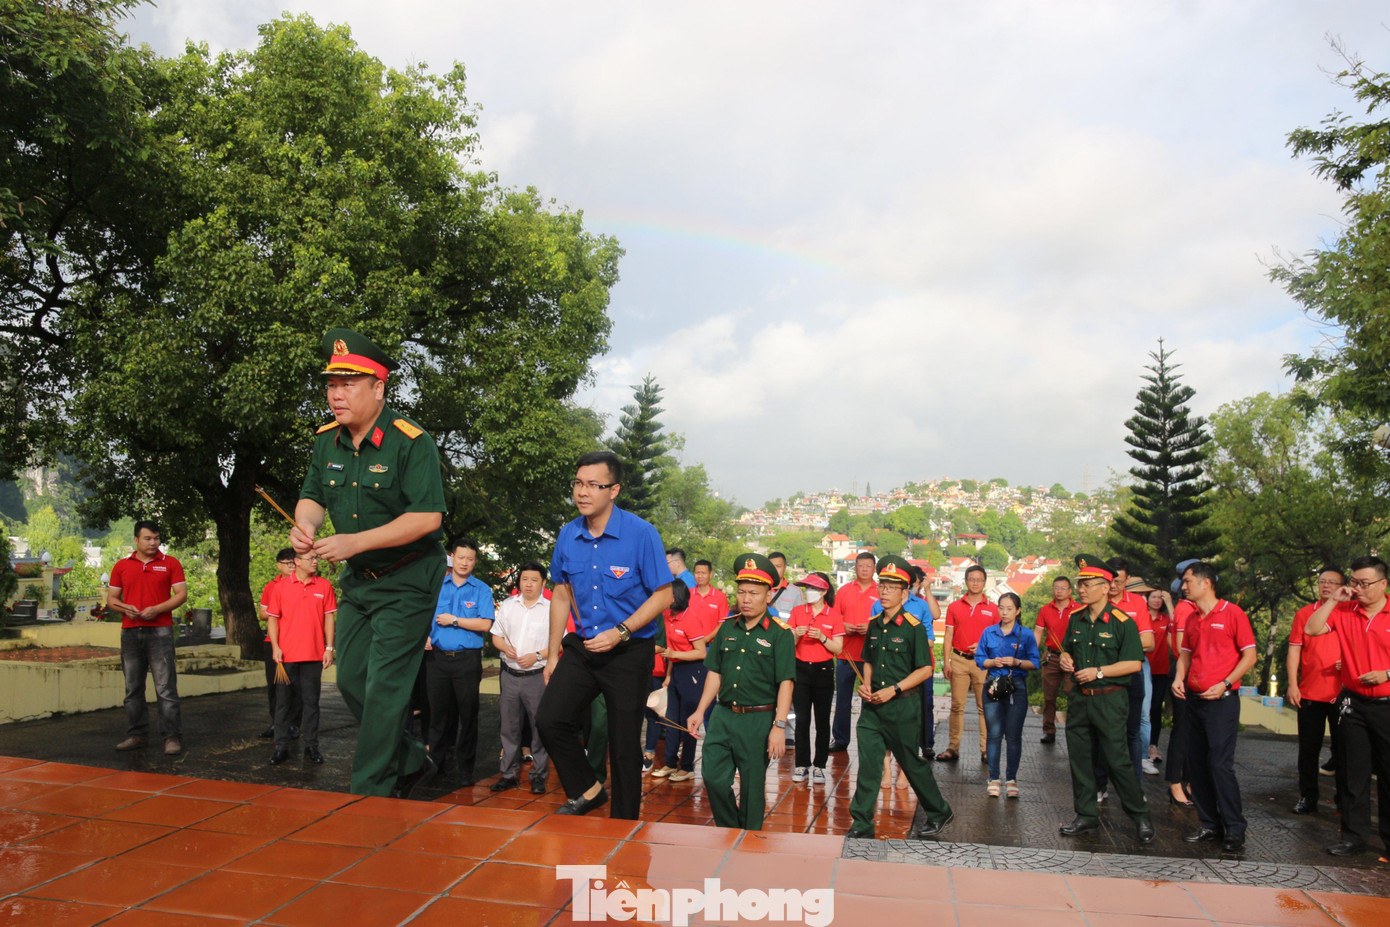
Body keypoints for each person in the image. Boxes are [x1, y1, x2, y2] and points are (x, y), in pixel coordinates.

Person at [292, 328, 448, 798]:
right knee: (352, 677)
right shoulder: (326, 441)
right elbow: (312, 497)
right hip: (360, 581)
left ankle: (370, 792)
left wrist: (354, 542)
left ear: (378, 388)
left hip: (409, 578)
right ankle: (408, 758)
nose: (335, 395)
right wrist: (306, 529)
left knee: (384, 688)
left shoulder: (410, 441)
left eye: (348, 385)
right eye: (331, 384)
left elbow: (427, 516)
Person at [537, 450, 675, 819]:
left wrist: (621, 631)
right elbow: (561, 593)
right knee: (550, 719)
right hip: (583, 647)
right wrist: (553, 655)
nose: (583, 492)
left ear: (613, 490)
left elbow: (664, 594)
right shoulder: (568, 534)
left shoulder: (641, 533)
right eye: (578, 484)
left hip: (629, 650)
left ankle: (624, 825)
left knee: (625, 743)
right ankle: (589, 789)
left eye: (593, 485)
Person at [847, 556, 953, 840]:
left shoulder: (913, 627)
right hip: (872, 707)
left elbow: (926, 669)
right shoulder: (874, 624)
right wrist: (866, 685)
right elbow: (867, 659)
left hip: (902, 706)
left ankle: (939, 811)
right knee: (868, 763)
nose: (884, 591)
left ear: (904, 593)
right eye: (882, 585)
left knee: (910, 762)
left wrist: (894, 689)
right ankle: (862, 822)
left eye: (892, 587)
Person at [689, 554, 794, 830]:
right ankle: (731, 830)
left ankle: (748, 844)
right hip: (723, 716)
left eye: (754, 593)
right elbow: (715, 672)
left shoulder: (780, 634)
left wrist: (779, 726)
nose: (746, 599)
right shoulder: (727, 627)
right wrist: (700, 711)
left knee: (751, 789)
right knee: (712, 777)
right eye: (742, 592)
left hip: (758, 720)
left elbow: (786, 682)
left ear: (768, 596)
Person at [1298, 555, 1390, 860]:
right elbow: (1311, 630)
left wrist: (1386, 674)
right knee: (1352, 774)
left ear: (1383, 584)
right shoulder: (1346, 610)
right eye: (1354, 582)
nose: (1358, 588)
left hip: (1387, 705)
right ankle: (1353, 838)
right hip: (1352, 703)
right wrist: (1335, 600)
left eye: (1365, 583)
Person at [1058, 554, 1154, 844]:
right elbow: (1068, 651)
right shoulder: (1076, 619)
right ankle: (1086, 816)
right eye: (1080, 584)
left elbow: (1134, 663)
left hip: (1110, 700)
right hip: (1080, 701)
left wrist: (1098, 672)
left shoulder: (1122, 622)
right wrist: (1065, 659)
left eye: (1088, 584)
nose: (1081, 589)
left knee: (1117, 760)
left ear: (1105, 586)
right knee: (1081, 759)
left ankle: (1140, 815)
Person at [1172, 560, 1256, 853]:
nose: (1183, 586)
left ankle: (1234, 828)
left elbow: (1250, 656)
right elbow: (1186, 653)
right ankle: (1210, 824)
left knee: (1220, 765)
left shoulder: (1232, 613)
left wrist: (1226, 683)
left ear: (1206, 583)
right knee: (1196, 765)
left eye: (1188, 581)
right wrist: (1179, 678)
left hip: (1221, 702)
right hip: (1193, 700)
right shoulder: (1193, 617)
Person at [107, 521, 188, 755]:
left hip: (160, 631)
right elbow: (112, 599)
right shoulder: (122, 566)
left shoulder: (170, 563)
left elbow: (181, 595)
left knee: (165, 688)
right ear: (136, 540)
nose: (153, 543)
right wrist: (124, 608)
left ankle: (172, 737)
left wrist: (158, 609)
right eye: (147, 538)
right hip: (131, 631)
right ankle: (137, 735)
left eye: (156, 538)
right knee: (133, 687)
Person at [427, 537, 494, 785]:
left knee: (468, 715)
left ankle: (465, 769)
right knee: (437, 716)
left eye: (470, 558)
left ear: (475, 561)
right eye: (461, 557)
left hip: (467, 661)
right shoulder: (437, 586)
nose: (465, 563)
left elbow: (485, 624)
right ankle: (435, 766)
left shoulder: (481, 590)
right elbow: (425, 616)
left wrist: (455, 620)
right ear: (451, 557)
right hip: (437, 659)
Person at [264, 551, 337, 765]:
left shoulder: (324, 586)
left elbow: (329, 618)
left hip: (313, 655)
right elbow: (273, 620)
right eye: (310, 558)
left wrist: (329, 648)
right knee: (283, 703)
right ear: (297, 562)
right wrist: (276, 647)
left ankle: (312, 747)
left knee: (311, 702)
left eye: (317, 558)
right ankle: (281, 747)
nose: (315, 561)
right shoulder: (280, 587)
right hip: (286, 656)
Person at [1287, 567, 1346, 815]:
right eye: (1322, 581)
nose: (1326, 586)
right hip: (1310, 690)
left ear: (1342, 586)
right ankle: (1308, 797)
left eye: (1332, 582)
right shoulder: (1304, 614)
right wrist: (1292, 684)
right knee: (1308, 748)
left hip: (1343, 691)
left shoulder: (1349, 613)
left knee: (1344, 748)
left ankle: (1344, 799)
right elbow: (1294, 650)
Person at [491, 560, 552, 795]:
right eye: (524, 579)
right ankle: (508, 774)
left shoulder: (550, 608)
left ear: (543, 583)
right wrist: (506, 648)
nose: (528, 584)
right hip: (509, 675)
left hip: (536, 676)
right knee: (509, 727)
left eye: (534, 580)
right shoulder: (507, 606)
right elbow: (496, 636)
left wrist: (537, 655)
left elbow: (559, 642)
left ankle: (538, 775)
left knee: (539, 729)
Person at [977, 591, 1039, 797]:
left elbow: (1034, 663)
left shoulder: (1026, 634)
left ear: (1018, 610)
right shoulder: (989, 632)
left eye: (1009, 608)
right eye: (1001, 608)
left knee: (1013, 736)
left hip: (1016, 686)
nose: (1004, 612)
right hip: (993, 683)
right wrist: (992, 662)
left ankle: (1011, 778)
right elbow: (980, 658)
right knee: (994, 734)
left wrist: (1017, 662)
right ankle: (994, 777)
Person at [1100, 558, 1155, 793]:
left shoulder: (1138, 604)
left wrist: (1111, 645)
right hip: (1103, 674)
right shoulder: (1096, 602)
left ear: (1127, 580)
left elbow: (1149, 643)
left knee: (1132, 730)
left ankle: (1135, 787)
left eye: (1118, 581)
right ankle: (1100, 785)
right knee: (1102, 730)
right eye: (1110, 580)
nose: (1113, 586)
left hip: (1133, 672)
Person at [659, 580, 720, 781]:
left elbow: (701, 652)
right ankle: (669, 763)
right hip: (676, 668)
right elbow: (669, 649)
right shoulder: (667, 616)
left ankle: (686, 766)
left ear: (676, 597)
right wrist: (668, 676)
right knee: (671, 719)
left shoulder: (690, 618)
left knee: (688, 720)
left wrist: (674, 653)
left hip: (693, 671)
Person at [938, 564, 999, 764]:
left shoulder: (992, 609)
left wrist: (983, 647)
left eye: (979, 579)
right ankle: (953, 747)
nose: (975, 583)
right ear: (965, 581)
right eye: (971, 579)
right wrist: (946, 662)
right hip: (959, 660)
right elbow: (948, 635)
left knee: (985, 707)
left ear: (984, 582)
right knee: (957, 706)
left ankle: (986, 749)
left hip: (983, 663)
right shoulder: (955, 607)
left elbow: (999, 638)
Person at [787, 572, 844, 783]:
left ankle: (820, 765)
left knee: (822, 720)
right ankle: (801, 764)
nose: (809, 593)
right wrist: (796, 635)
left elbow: (838, 648)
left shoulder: (834, 616)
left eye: (813, 589)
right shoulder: (797, 612)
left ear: (823, 592)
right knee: (802, 719)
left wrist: (822, 637)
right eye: (807, 589)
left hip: (823, 671)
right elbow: (788, 645)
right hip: (800, 669)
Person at [830, 552, 878, 751]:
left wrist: (871, 629)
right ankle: (840, 740)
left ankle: (867, 737)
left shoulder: (881, 591)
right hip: (845, 654)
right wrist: (844, 626)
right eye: (861, 566)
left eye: (868, 566)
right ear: (855, 568)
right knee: (842, 699)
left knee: (869, 698)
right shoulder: (844, 591)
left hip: (870, 656)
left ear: (874, 569)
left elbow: (887, 620)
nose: (864, 569)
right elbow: (833, 618)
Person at [259, 549, 301, 740]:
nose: (292, 566)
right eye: (288, 563)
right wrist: (280, 610)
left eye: (294, 562)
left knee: (294, 684)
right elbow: (263, 613)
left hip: (295, 640)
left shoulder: (303, 584)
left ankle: (293, 724)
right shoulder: (272, 586)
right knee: (274, 684)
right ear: (279, 565)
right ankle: (276, 723)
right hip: (273, 642)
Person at [1034, 576, 1079, 745]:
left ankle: (1074, 729)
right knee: (1049, 696)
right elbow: (1038, 632)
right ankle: (1048, 730)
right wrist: (1032, 653)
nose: (1059, 591)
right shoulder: (1045, 610)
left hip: (1072, 658)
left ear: (1070, 591)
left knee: (1072, 693)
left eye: (1063, 588)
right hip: (1052, 656)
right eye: (1056, 587)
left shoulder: (1079, 609)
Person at [1165, 576, 1197, 807]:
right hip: (1187, 676)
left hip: (1194, 677)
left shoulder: (1190, 608)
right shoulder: (1186, 609)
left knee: (1191, 732)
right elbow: (1178, 645)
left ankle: (1188, 781)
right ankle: (1176, 782)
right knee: (1183, 731)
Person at [1144, 588, 1175, 774]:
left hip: (1160, 670)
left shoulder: (1166, 619)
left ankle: (1152, 745)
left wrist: (1170, 603)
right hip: (1141, 668)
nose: (1157, 601)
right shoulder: (1142, 616)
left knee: (1156, 709)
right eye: (1153, 597)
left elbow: (1179, 625)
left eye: (1160, 598)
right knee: (1140, 709)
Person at [689, 559, 729, 625]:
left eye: (703, 573)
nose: (700, 576)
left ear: (710, 574)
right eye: (697, 573)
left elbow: (722, 624)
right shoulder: (687, 594)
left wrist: (708, 636)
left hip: (713, 635)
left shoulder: (720, 597)